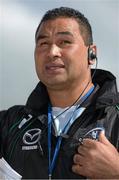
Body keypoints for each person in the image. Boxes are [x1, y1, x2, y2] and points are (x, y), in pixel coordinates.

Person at [0, 6, 119, 179]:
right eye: (43, 43)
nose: (52, 52)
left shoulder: (114, 116)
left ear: (91, 53)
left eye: (64, 42)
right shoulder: (8, 124)